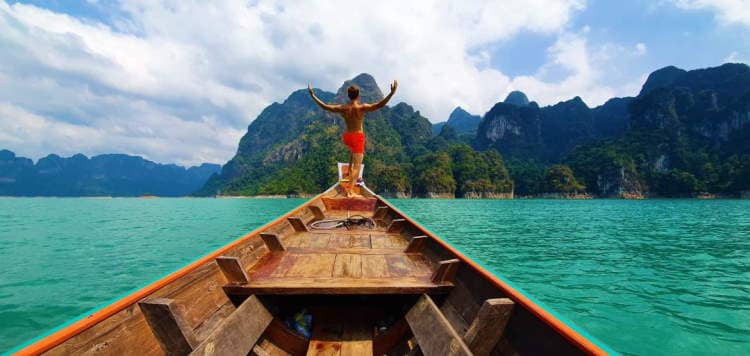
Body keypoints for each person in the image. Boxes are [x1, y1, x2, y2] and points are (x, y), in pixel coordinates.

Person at [307, 80, 398, 196]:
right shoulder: (362, 108)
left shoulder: (343, 108)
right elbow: (379, 105)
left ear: (348, 96)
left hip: (347, 137)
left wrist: (313, 95)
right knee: (358, 166)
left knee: (353, 151)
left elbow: (325, 107)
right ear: (358, 96)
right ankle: (349, 191)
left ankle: (349, 170)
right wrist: (392, 93)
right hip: (357, 137)